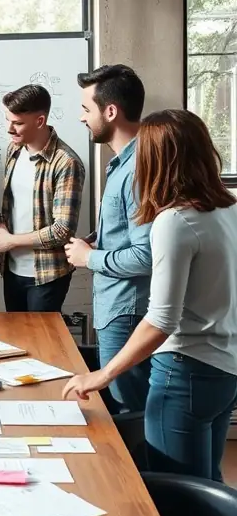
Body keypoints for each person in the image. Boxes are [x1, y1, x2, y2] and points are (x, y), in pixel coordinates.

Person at [64, 110, 237, 482]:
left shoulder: (174, 221)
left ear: (157, 160)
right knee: (206, 484)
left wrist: (102, 375)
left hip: (183, 371)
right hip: (225, 371)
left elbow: (161, 320)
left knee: (177, 492)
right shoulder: (229, 209)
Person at [65, 65, 152, 412]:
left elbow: (146, 254)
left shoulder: (138, 169)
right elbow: (126, 234)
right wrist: (96, 241)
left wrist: (89, 258)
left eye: (86, 109)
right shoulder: (120, 164)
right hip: (115, 307)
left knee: (129, 410)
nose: (82, 117)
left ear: (111, 112)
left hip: (126, 310)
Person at [0, 84, 85, 313]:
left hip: (46, 275)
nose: (9, 129)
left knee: (41, 336)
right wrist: (0, 227)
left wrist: (11, 241)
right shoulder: (13, 151)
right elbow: (11, 207)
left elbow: (62, 230)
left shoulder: (66, 163)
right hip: (11, 270)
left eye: (17, 123)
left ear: (40, 121)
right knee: (15, 333)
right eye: (8, 120)